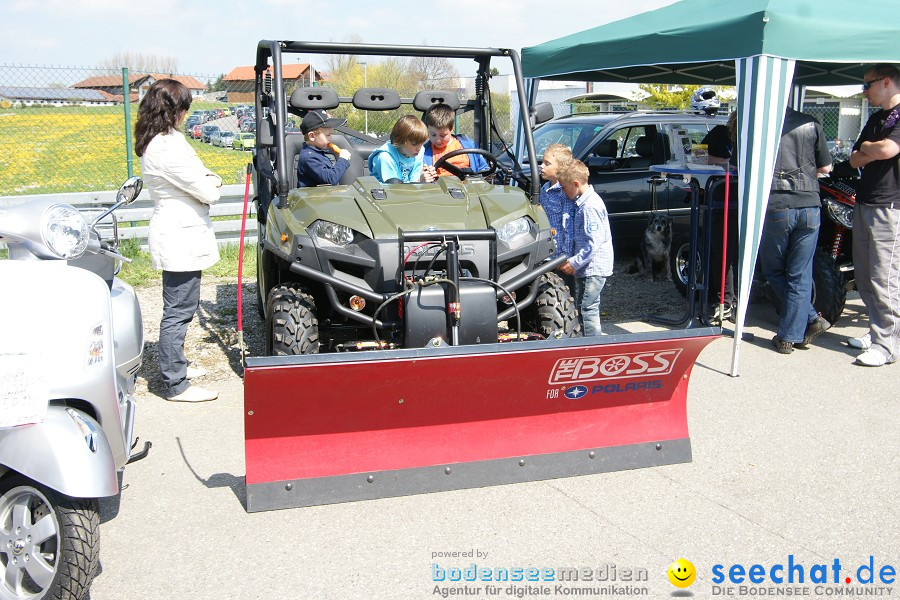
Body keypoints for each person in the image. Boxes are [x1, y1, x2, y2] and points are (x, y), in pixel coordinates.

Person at [135, 79, 221, 402]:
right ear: (169, 110)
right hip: (178, 235)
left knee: (185, 304)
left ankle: (177, 365)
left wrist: (208, 178)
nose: (186, 113)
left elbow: (201, 177)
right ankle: (175, 383)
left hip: (183, 233)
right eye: (183, 107)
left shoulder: (166, 140)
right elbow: (206, 188)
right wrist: (214, 181)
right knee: (178, 310)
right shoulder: (164, 147)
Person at [760, 107, 832, 354]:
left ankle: (790, 336)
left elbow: (742, 165)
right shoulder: (810, 123)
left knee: (774, 270)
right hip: (810, 203)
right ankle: (808, 321)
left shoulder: (760, 125)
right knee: (800, 274)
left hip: (778, 204)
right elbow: (826, 167)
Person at [847, 64, 900, 367]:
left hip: (890, 206)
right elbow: (854, 159)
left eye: (866, 85)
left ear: (886, 82)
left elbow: (887, 150)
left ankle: (887, 344)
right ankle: (877, 330)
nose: (864, 91)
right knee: (865, 275)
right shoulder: (877, 118)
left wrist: (869, 148)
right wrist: (870, 148)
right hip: (865, 201)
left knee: (885, 277)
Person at [557, 160, 614, 337]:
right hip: (587, 268)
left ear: (575, 184)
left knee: (588, 307)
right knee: (584, 306)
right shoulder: (582, 203)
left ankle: (592, 345)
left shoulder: (590, 206)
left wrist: (574, 262)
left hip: (593, 268)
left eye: (565, 188)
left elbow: (593, 242)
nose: (564, 193)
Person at [702, 111, 739, 322]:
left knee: (731, 255)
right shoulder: (719, 133)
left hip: (744, 204)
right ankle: (724, 301)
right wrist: (726, 162)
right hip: (722, 201)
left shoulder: (755, 137)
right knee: (723, 254)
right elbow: (699, 155)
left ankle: (731, 301)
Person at [422, 103, 489, 179]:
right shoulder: (424, 153)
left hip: (469, 187)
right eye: (433, 134)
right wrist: (423, 177)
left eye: (443, 135)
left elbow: (483, 169)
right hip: (439, 188)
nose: (438, 140)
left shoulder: (468, 145)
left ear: (451, 129)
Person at [368, 115, 435, 184]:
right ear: (400, 140)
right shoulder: (385, 157)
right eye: (414, 144)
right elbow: (394, 186)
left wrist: (422, 178)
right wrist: (418, 182)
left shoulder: (419, 152)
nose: (419, 148)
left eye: (421, 143)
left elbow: (414, 180)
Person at [296, 109, 352, 187]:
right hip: (312, 198)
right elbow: (330, 179)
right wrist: (343, 159)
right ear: (312, 136)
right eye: (328, 135)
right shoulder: (309, 158)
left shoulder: (317, 153)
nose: (331, 138)